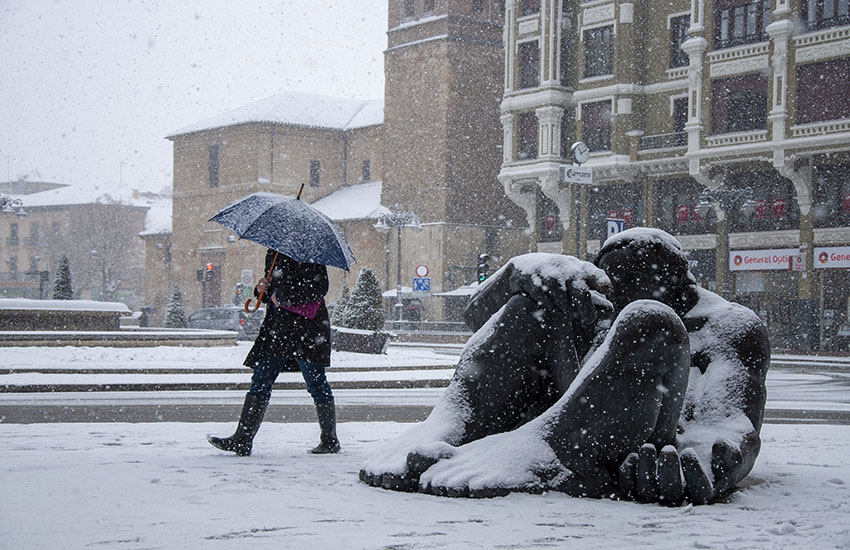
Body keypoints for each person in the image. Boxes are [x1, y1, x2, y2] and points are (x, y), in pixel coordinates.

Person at [360, 228, 769, 505]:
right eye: (611, 285)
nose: (612, 302)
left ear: (678, 283)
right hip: (571, 420)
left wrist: (709, 463)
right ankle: (452, 425)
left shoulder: (729, 325)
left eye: (627, 285)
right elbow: (478, 321)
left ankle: (545, 457)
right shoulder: (602, 309)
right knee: (532, 306)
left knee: (651, 322)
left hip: (635, 442)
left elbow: (733, 425)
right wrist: (515, 275)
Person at [209, 249, 340, 456]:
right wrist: (261, 288)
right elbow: (272, 291)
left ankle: (330, 440)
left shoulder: (310, 253)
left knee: (316, 382)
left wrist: (284, 297)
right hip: (278, 329)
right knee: (261, 379)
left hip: (306, 331)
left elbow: (319, 288)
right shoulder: (275, 253)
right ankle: (243, 439)